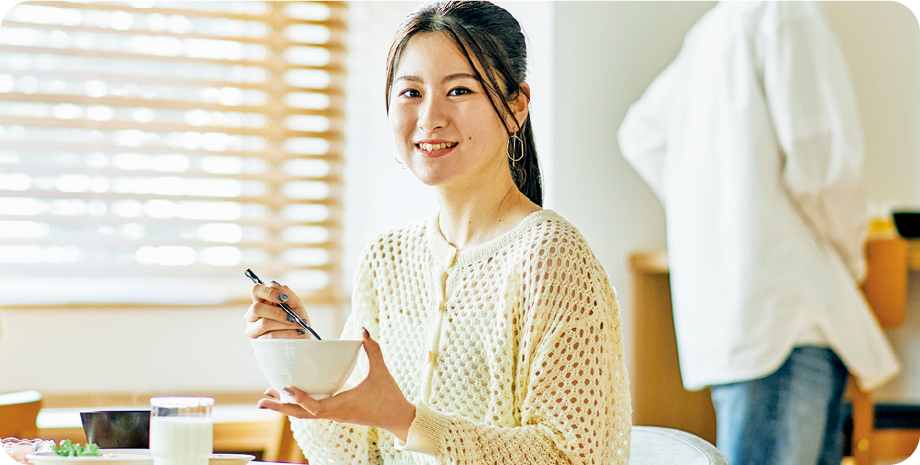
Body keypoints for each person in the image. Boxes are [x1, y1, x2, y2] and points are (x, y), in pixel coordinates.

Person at [244, 1, 631, 464]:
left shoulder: (551, 258)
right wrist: (304, 364)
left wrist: (408, 421)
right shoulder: (385, 260)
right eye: (410, 93)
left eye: (459, 90)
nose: (429, 117)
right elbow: (357, 454)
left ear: (515, 106)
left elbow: (572, 456)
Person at [617, 0, 899, 464]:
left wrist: (716, 213)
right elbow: (824, 169)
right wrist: (851, 255)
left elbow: (641, 134)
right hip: (788, 322)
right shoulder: (785, 12)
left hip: (739, 325)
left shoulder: (713, 31)